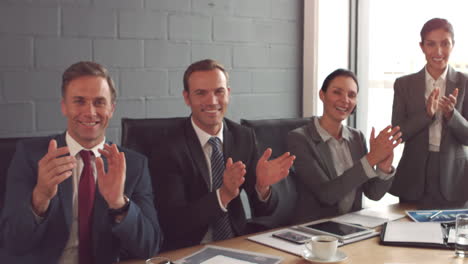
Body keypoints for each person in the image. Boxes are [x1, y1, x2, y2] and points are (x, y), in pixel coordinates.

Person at [0, 61, 162, 263]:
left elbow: (149, 247)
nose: (90, 112)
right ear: (64, 107)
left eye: (99, 102)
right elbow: (13, 242)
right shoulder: (31, 156)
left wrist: (119, 204)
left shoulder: (134, 164)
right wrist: (40, 197)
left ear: (111, 109)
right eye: (79, 101)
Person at [151, 59, 296, 250]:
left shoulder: (243, 136)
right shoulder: (168, 147)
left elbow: (264, 211)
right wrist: (224, 194)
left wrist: (262, 188)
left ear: (228, 93)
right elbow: (173, 224)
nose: (212, 101)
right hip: (189, 248)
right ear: (187, 98)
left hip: (236, 243)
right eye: (201, 93)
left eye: (219, 91)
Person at [287, 69, 402, 223]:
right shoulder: (299, 139)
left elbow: (373, 194)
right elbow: (326, 194)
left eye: (351, 95)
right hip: (315, 231)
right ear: (322, 95)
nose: (345, 100)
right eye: (337, 92)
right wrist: (370, 160)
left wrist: (383, 168)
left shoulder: (356, 138)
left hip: (351, 226)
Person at [390, 18, 468, 208]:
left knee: (451, 235)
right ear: (422, 46)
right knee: (410, 234)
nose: (438, 52)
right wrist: (426, 115)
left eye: (445, 44)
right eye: (431, 44)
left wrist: (452, 115)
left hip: (454, 177)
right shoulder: (404, 84)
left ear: (453, 45)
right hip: (414, 174)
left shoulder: (465, 82)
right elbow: (398, 133)